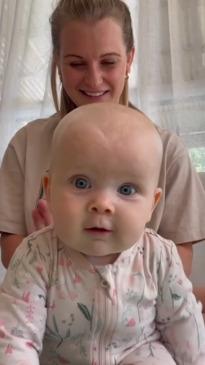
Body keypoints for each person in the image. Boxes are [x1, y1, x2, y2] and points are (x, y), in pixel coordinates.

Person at [0, 0, 205, 306]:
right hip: (48, 331)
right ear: (57, 61)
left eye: (108, 62)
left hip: (137, 332)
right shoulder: (26, 144)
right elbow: (9, 245)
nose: (94, 79)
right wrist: (44, 252)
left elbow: (180, 264)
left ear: (130, 58)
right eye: (76, 64)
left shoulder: (167, 152)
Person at [0, 103, 204, 365]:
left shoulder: (160, 256)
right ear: (49, 190)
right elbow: (16, 337)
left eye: (127, 190)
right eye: (81, 183)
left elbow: (185, 325)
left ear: (151, 205)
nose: (103, 204)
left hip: (140, 353)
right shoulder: (35, 255)